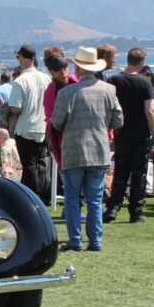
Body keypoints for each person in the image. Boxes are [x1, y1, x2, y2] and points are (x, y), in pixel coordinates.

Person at [52, 47, 123, 252]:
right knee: (95, 198)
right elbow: (119, 120)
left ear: (77, 66)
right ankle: (96, 240)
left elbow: (56, 123)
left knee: (72, 198)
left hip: (73, 150)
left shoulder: (66, 93)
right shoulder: (108, 90)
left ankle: (75, 239)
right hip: (99, 150)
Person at [104, 48, 154, 224]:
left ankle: (113, 207)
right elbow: (149, 110)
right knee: (139, 173)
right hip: (141, 133)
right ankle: (136, 210)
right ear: (141, 63)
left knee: (120, 170)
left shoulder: (114, 80)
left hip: (121, 132)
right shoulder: (145, 83)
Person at [8, 44, 52, 200]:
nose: (18, 60)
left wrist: (7, 108)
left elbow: (15, 108)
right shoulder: (46, 78)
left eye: (18, 57)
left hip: (25, 127)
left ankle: (33, 196)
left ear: (24, 58)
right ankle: (39, 193)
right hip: (43, 126)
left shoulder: (20, 81)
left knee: (29, 166)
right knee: (41, 164)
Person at [42, 51, 78, 170]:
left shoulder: (78, 83)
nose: (62, 71)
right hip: (64, 139)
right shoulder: (49, 93)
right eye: (57, 69)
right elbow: (49, 118)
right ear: (51, 72)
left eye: (64, 67)